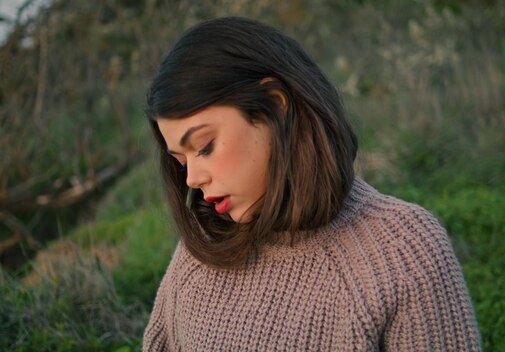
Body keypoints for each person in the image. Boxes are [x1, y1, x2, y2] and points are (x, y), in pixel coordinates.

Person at [143, 17, 481, 351]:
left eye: (204, 146)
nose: (192, 179)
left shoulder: (404, 253)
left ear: (275, 103)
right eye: (181, 160)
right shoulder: (204, 246)